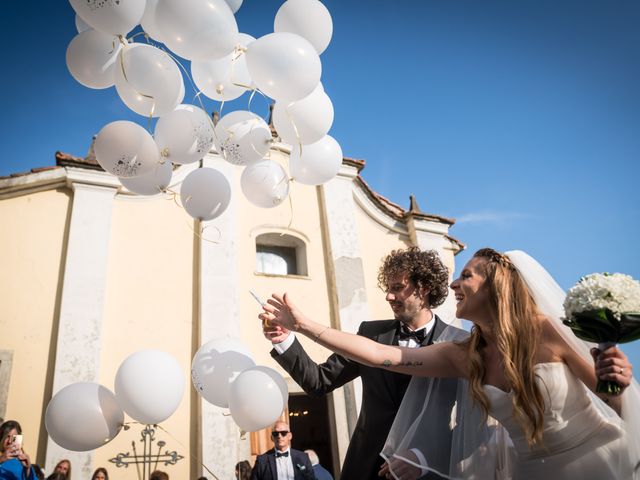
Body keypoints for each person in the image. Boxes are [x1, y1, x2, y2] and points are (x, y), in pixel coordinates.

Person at [260, 248, 640, 479]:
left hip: (589, 461)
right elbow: (379, 356)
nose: (457, 285)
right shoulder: (465, 353)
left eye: (467, 276)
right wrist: (301, 326)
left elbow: (610, 400)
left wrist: (618, 384)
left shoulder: (535, 331)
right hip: (377, 468)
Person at [263, 248, 465, 479]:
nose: (388, 296)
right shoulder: (370, 333)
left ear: (424, 288)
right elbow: (319, 381)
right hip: (367, 469)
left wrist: (424, 456)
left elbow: (471, 423)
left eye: (397, 288)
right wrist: (284, 340)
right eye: (387, 288)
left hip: (429, 472)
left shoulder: (457, 343)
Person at [251, 421, 315, 480]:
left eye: (283, 433)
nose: (279, 436)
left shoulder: (303, 458)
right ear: (272, 437)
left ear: (290, 436)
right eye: (276, 433)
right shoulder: (262, 460)